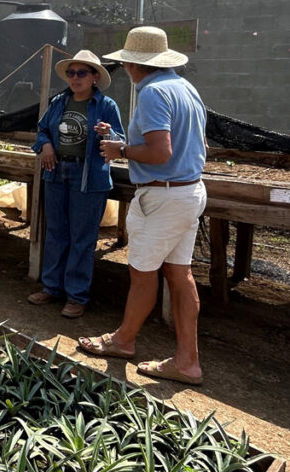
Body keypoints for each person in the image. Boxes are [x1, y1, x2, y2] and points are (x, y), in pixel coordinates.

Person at [78, 26, 208, 386]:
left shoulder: (152, 94)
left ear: (134, 64)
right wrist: (124, 143)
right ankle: (187, 361)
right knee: (179, 275)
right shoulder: (185, 89)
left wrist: (120, 151)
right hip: (188, 191)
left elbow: (160, 152)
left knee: (142, 272)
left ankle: (123, 341)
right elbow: (184, 146)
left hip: (162, 197)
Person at [29, 50, 124, 318]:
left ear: (94, 77)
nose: (75, 78)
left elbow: (121, 140)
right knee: (56, 232)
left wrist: (109, 134)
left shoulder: (105, 105)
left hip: (89, 175)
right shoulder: (59, 102)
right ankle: (52, 287)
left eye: (82, 73)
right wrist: (46, 145)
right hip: (57, 171)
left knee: (82, 237)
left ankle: (76, 296)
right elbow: (42, 130)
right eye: (71, 73)